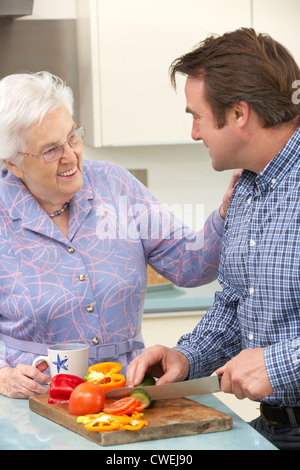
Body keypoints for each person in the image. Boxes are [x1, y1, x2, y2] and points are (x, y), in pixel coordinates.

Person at [0, 71, 237, 399]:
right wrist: (3, 375)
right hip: (37, 400)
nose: (70, 156)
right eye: (50, 150)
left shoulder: (115, 185)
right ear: (13, 163)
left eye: (72, 137)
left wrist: (225, 213)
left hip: (126, 393)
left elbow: (191, 263)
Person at [126, 28, 300, 450]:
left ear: (239, 113)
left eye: (196, 115)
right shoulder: (246, 187)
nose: (194, 132)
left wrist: (279, 366)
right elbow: (235, 302)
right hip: (277, 428)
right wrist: (186, 358)